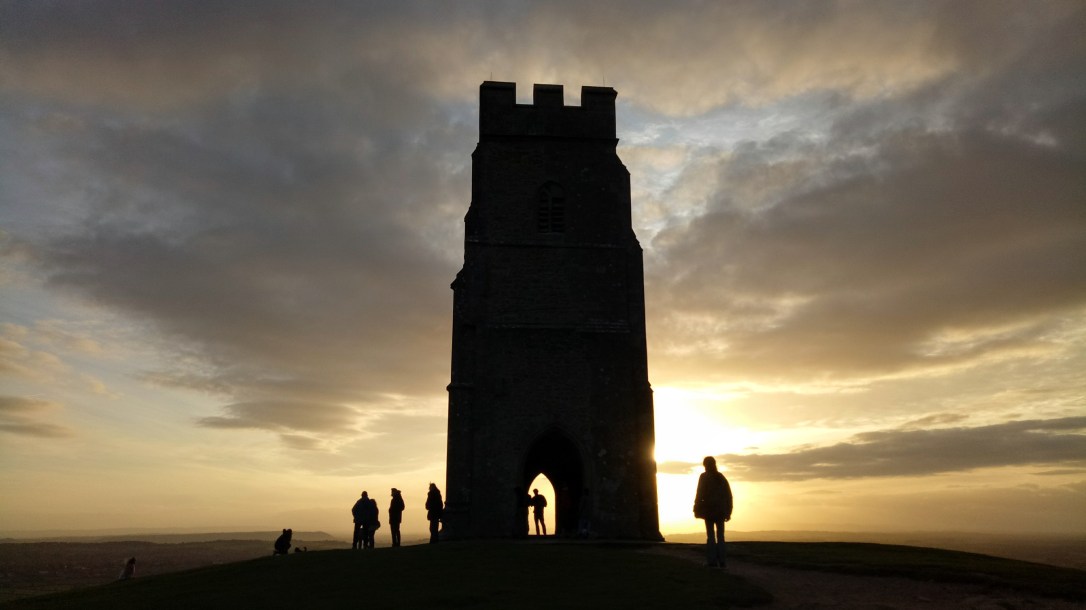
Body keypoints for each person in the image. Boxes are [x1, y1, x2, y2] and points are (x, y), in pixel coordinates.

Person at [693, 456, 733, 568]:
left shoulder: (704, 477)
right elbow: (728, 496)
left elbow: (699, 493)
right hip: (720, 511)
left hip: (709, 510)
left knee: (711, 536)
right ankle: (722, 561)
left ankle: (712, 561)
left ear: (705, 465)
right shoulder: (721, 477)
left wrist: (696, 507)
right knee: (721, 536)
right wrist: (729, 511)